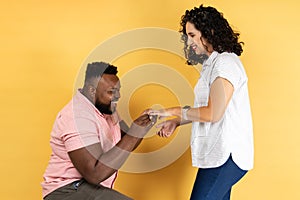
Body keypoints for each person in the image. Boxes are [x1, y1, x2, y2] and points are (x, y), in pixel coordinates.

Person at [149, 5, 254, 200]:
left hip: (227, 155)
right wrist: (177, 120)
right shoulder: (212, 64)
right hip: (220, 155)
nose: (189, 42)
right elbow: (207, 109)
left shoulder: (225, 64)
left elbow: (213, 113)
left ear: (209, 33)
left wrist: (171, 111)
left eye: (192, 35)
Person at [41, 62, 156, 200]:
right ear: (92, 91)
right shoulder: (77, 117)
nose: (118, 96)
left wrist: (142, 127)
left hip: (87, 187)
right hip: (66, 190)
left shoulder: (107, 109)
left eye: (118, 90)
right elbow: (94, 174)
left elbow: (126, 141)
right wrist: (134, 133)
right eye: (111, 92)